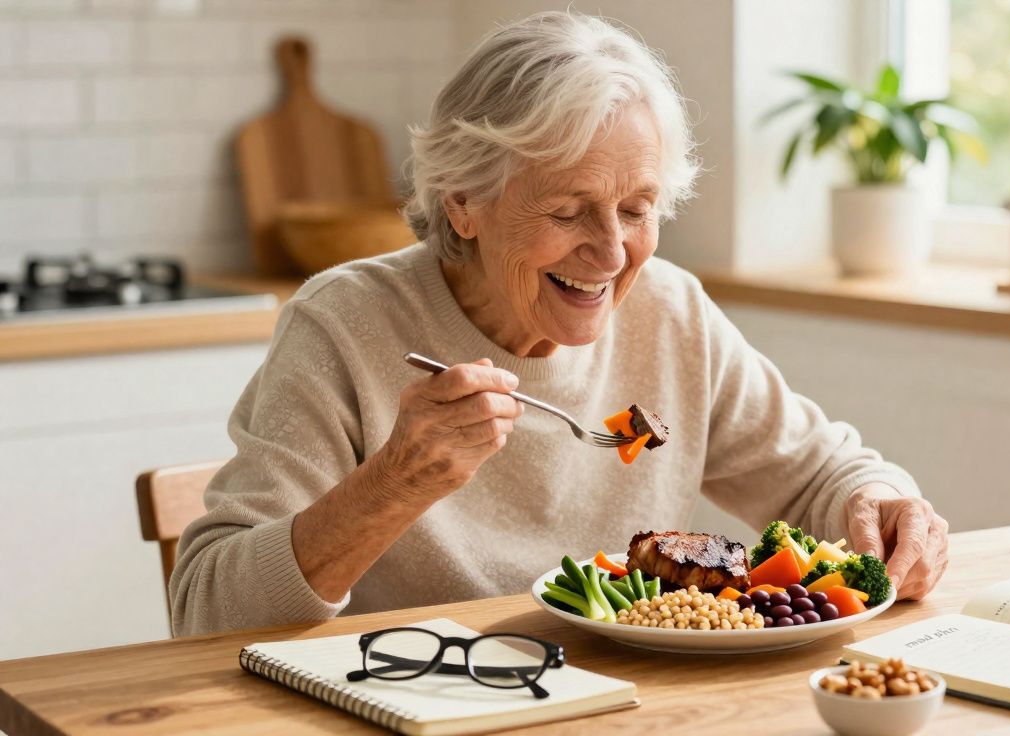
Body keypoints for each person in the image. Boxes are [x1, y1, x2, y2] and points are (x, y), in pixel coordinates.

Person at [171, 11, 948, 636]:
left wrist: (883, 506)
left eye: (637, 210)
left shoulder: (669, 313)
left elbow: (820, 476)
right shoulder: (343, 324)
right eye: (569, 210)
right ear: (463, 202)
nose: (611, 252)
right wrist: (390, 486)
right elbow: (205, 611)